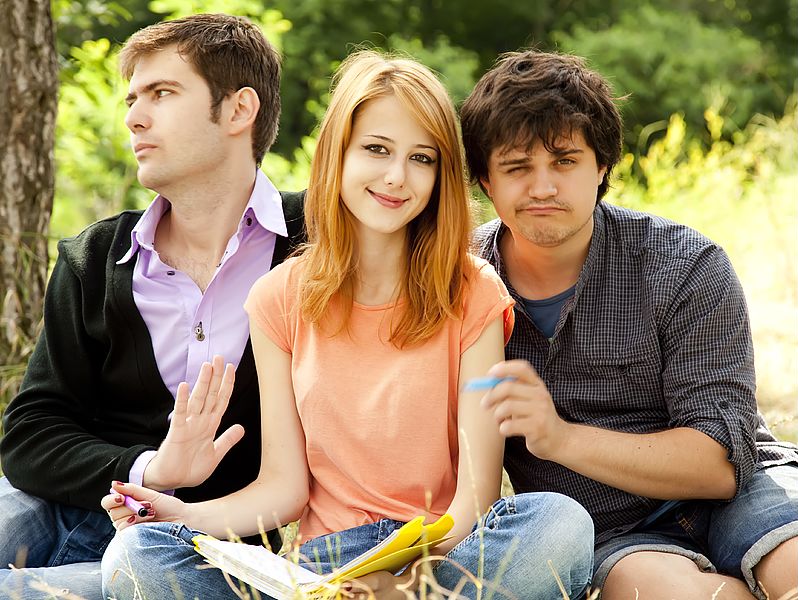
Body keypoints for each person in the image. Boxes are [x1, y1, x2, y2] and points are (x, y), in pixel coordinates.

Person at [99, 50, 595, 600]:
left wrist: (400, 580)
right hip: (322, 569)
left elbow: (473, 501)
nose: (396, 177)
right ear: (338, 155)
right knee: (134, 556)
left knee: (560, 523)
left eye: (421, 158)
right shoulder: (279, 297)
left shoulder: (473, 291)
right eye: (376, 150)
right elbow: (284, 490)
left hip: (433, 558)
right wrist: (182, 513)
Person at [460, 50, 798, 600]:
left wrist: (560, 438)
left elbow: (720, 466)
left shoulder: (685, 265)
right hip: (613, 530)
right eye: (518, 167)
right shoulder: (459, 285)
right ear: (484, 181)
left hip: (749, 491)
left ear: (601, 167)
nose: (543, 188)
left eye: (565, 161)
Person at [0, 14, 305, 599]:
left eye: (162, 93)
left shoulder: (318, 245)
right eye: (132, 98)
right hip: (61, 509)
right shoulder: (94, 258)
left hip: (191, 552)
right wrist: (153, 469)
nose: (134, 118)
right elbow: (31, 434)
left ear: (239, 110)